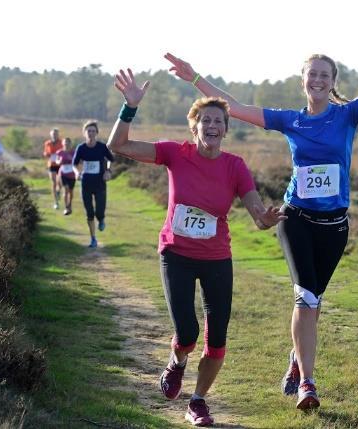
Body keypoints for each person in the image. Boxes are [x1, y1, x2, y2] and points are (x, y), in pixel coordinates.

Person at [165, 26, 358, 411]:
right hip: (295, 218)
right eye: (311, 74)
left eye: (324, 75)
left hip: (334, 226)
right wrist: (195, 77)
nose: (317, 80)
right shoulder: (289, 120)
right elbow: (234, 107)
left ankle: (295, 359)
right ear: (303, 81)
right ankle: (309, 385)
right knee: (306, 296)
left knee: (314, 302)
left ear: (333, 83)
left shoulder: (348, 115)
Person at [107, 68, 285, 427]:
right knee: (187, 333)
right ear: (195, 127)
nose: (213, 125)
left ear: (226, 129)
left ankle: (198, 401)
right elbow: (118, 146)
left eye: (219, 120)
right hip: (177, 255)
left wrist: (265, 217)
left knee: (217, 340)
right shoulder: (175, 154)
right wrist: (129, 109)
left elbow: (255, 211)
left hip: (217, 258)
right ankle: (177, 362)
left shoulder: (235, 166)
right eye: (205, 120)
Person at [73, 120, 114, 248]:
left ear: (97, 133)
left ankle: (101, 219)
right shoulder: (81, 148)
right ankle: (93, 239)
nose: (90, 133)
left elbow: (110, 160)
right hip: (86, 183)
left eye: (93, 131)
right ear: (85, 133)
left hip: (100, 183)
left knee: (99, 211)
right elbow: (74, 164)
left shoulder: (102, 147)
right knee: (89, 212)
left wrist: (108, 171)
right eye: (88, 131)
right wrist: (76, 173)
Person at [56, 137, 77, 215]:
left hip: (72, 174)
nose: (66, 144)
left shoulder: (74, 152)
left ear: (70, 144)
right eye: (65, 143)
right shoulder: (60, 152)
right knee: (66, 189)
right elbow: (57, 161)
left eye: (68, 143)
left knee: (71, 192)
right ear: (63, 144)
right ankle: (66, 208)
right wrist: (59, 162)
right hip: (63, 173)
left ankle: (70, 204)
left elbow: (78, 161)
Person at [43, 128, 63, 209]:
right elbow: (45, 152)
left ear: (58, 135)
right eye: (53, 134)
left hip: (60, 164)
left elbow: (64, 151)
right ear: (51, 135)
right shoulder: (47, 143)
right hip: (51, 164)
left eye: (56, 134)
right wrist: (46, 154)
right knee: (54, 182)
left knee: (60, 182)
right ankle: (56, 202)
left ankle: (58, 191)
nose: (54, 135)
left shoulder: (62, 142)